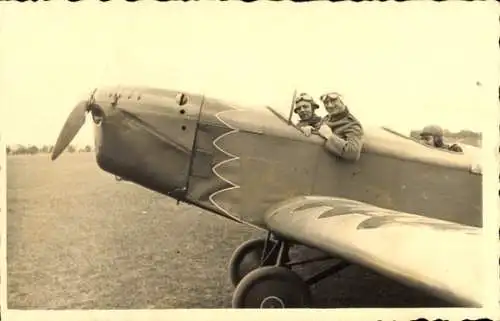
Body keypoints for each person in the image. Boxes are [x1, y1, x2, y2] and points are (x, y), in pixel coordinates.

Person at [299, 92, 364, 161]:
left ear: (342, 101)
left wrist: (330, 136)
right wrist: (311, 129)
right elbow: (320, 131)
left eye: (333, 100)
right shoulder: (327, 118)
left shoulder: (352, 124)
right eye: (326, 103)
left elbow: (353, 153)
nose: (329, 105)